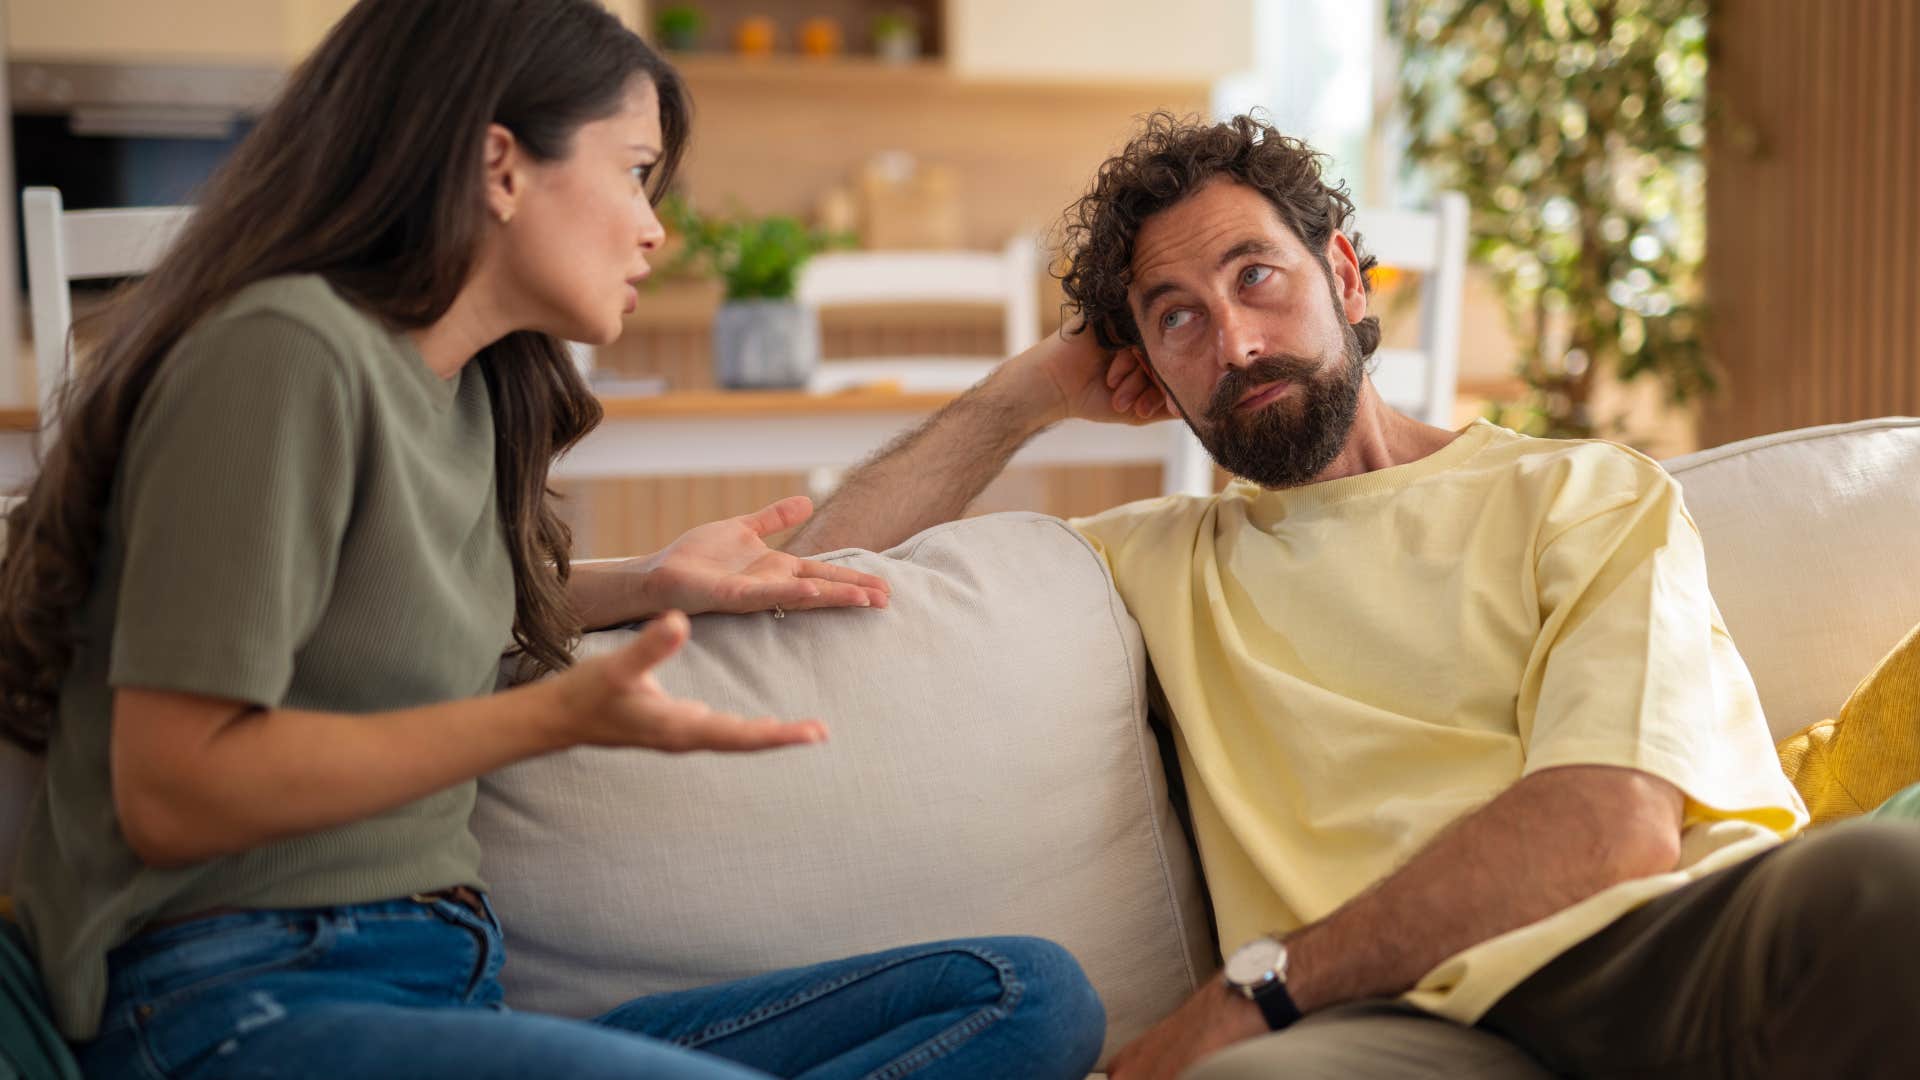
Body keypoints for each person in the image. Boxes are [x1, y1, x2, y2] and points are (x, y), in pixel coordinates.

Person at [0, 2, 1105, 1077]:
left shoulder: (470, 391)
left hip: (448, 987)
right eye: (634, 170)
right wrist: (545, 717)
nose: (655, 227)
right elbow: (172, 789)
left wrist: (653, 581)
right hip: (232, 992)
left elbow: (378, 603)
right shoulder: (284, 353)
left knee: (1026, 997)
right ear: (500, 165)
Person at [785, 112, 1920, 1078]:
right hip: (1392, 1027)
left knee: (1882, 885)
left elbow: (1608, 828)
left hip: (1660, 952)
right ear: (1143, 366)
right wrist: (1027, 393)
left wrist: (1254, 991)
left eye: (1256, 278)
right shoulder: (1155, 560)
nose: (1232, 340)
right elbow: (816, 573)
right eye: (1175, 316)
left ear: (1342, 273)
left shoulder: (1580, 491)